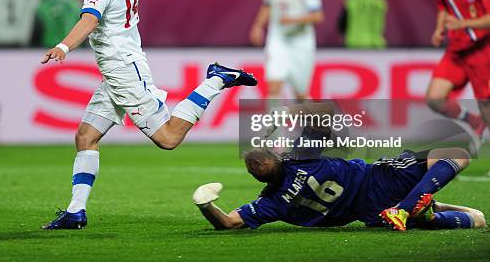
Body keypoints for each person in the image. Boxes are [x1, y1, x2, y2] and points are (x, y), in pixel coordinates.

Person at [40, 0, 257, 230]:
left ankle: (217, 81)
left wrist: (63, 46)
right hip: (117, 72)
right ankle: (76, 212)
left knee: (168, 138)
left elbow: (90, 21)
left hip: (123, 69)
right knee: (86, 137)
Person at [193, 148, 486, 232]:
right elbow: (323, 112)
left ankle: (420, 213)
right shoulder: (303, 157)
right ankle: (408, 207)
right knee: (456, 153)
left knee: (478, 219)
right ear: (278, 156)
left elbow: (229, 221)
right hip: (379, 180)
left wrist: (206, 205)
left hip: (371, 213)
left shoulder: (272, 203)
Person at [426, 0, 490, 139]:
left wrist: (462, 23)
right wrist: (439, 29)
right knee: (434, 99)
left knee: (487, 107)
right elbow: (443, 7)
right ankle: (474, 121)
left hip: (482, 50)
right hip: (456, 50)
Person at [249, 0, 323, 101]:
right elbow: (267, 5)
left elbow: (317, 16)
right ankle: (274, 127)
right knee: (273, 87)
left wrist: (293, 20)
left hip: (301, 42)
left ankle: (310, 125)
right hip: (278, 40)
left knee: (300, 93)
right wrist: (257, 27)